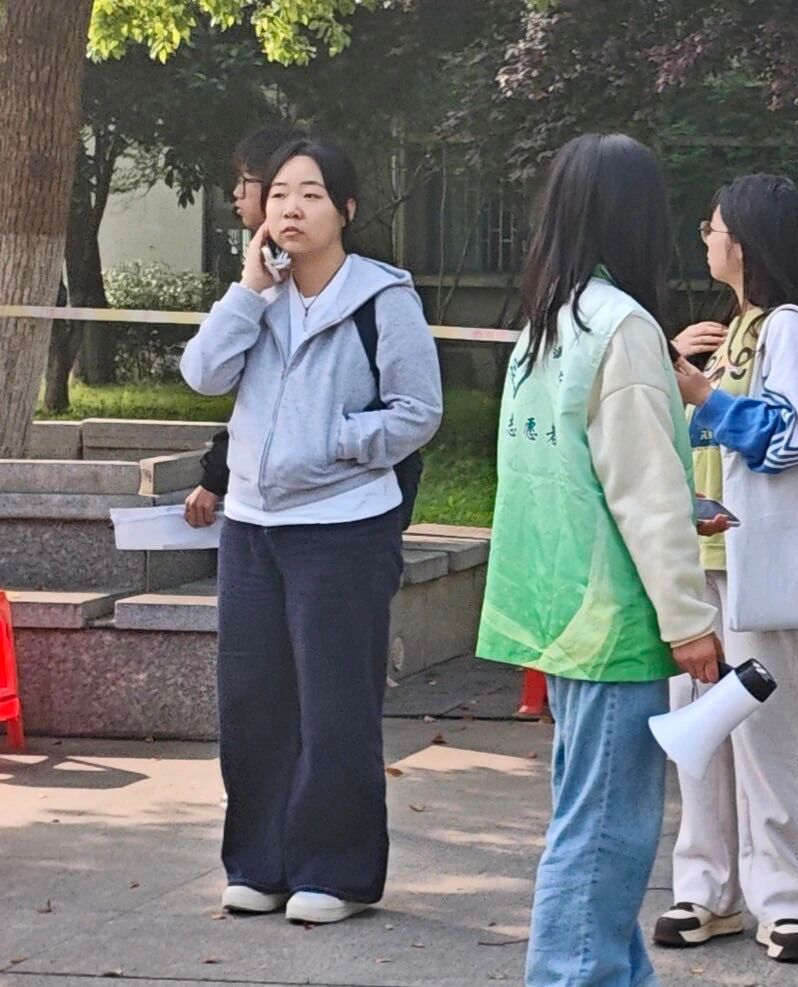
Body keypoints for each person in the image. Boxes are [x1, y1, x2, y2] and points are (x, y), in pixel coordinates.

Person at [473, 133, 725, 987]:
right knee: (607, 832)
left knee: (590, 817)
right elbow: (644, 492)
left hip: (558, 608)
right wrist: (688, 618)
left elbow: (574, 476)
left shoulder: (548, 324)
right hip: (613, 617)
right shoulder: (625, 327)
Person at [181, 137, 443, 925]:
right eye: (279, 194)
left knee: (334, 706)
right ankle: (260, 865)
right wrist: (248, 290)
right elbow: (202, 374)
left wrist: (336, 440)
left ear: (347, 209)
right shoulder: (260, 294)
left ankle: (337, 872)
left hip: (343, 526)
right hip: (252, 525)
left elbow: (419, 412)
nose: (291, 208)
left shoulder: (382, 298)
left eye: (312, 194)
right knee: (252, 702)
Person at [657, 174, 798, 965]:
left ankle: (782, 900)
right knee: (700, 729)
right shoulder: (735, 328)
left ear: (745, 238)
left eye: (715, 224)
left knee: (763, 733)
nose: (706, 236)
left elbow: (797, 433)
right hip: (704, 560)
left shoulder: (787, 327)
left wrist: (703, 393)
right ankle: (706, 890)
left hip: (757, 566)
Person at [184, 122, 308, 529]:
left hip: (333, 514)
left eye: (245, 181)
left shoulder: (346, 286)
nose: (235, 194)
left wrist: (217, 474)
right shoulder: (265, 272)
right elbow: (205, 374)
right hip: (255, 510)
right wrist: (249, 287)